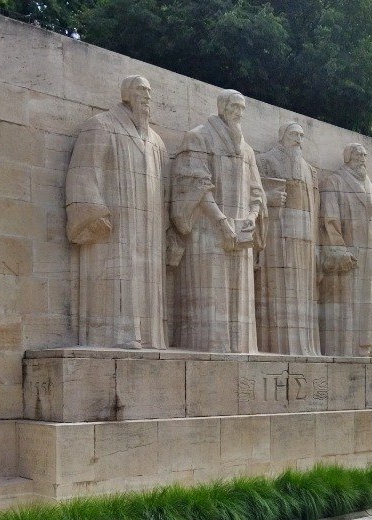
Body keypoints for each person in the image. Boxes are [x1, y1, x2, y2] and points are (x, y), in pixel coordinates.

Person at [65, 76, 169, 349]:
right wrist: (94, 215)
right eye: (141, 90)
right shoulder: (101, 126)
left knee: (146, 279)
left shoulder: (157, 142)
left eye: (149, 91)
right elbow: (83, 172)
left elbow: (166, 190)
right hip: (113, 226)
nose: (147, 96)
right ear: (126, 95)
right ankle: (114, 335)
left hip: (149, 226)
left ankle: (149, 335)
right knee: (115, 277)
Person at [170, 90, 266, 352]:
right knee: (210, 294)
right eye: (234, 106)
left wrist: (251, 217)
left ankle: (240, 349)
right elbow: (196, 185)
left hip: (241, 230)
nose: (239, 112)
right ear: (222, 107)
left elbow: (257, 191)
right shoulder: (199, 137)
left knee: (239, 297)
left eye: (242, 108)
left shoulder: (247, 150)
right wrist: (221, 222)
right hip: (207, 228)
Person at [318, 143, 372, 358]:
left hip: (371, 254)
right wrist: (338, 249)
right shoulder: (335, 182)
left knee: (370, 301)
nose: (362, 158)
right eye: (358, 154)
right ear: (348, 156)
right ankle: (349, 348)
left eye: (364, 155)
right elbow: (329, 220)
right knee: (348, 301)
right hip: (348, 253)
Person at [255, 122, 321, 355]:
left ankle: (304, 346)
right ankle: (276, 343)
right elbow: (253, 193)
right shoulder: (266, 161)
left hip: (305, 238)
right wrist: (269, 198)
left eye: (302, 136)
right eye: (294, 134)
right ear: (282, 136)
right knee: (278, 286)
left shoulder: (310, 170)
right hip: (277, 232)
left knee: (303, 291)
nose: (299, 139)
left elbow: (315, 208)